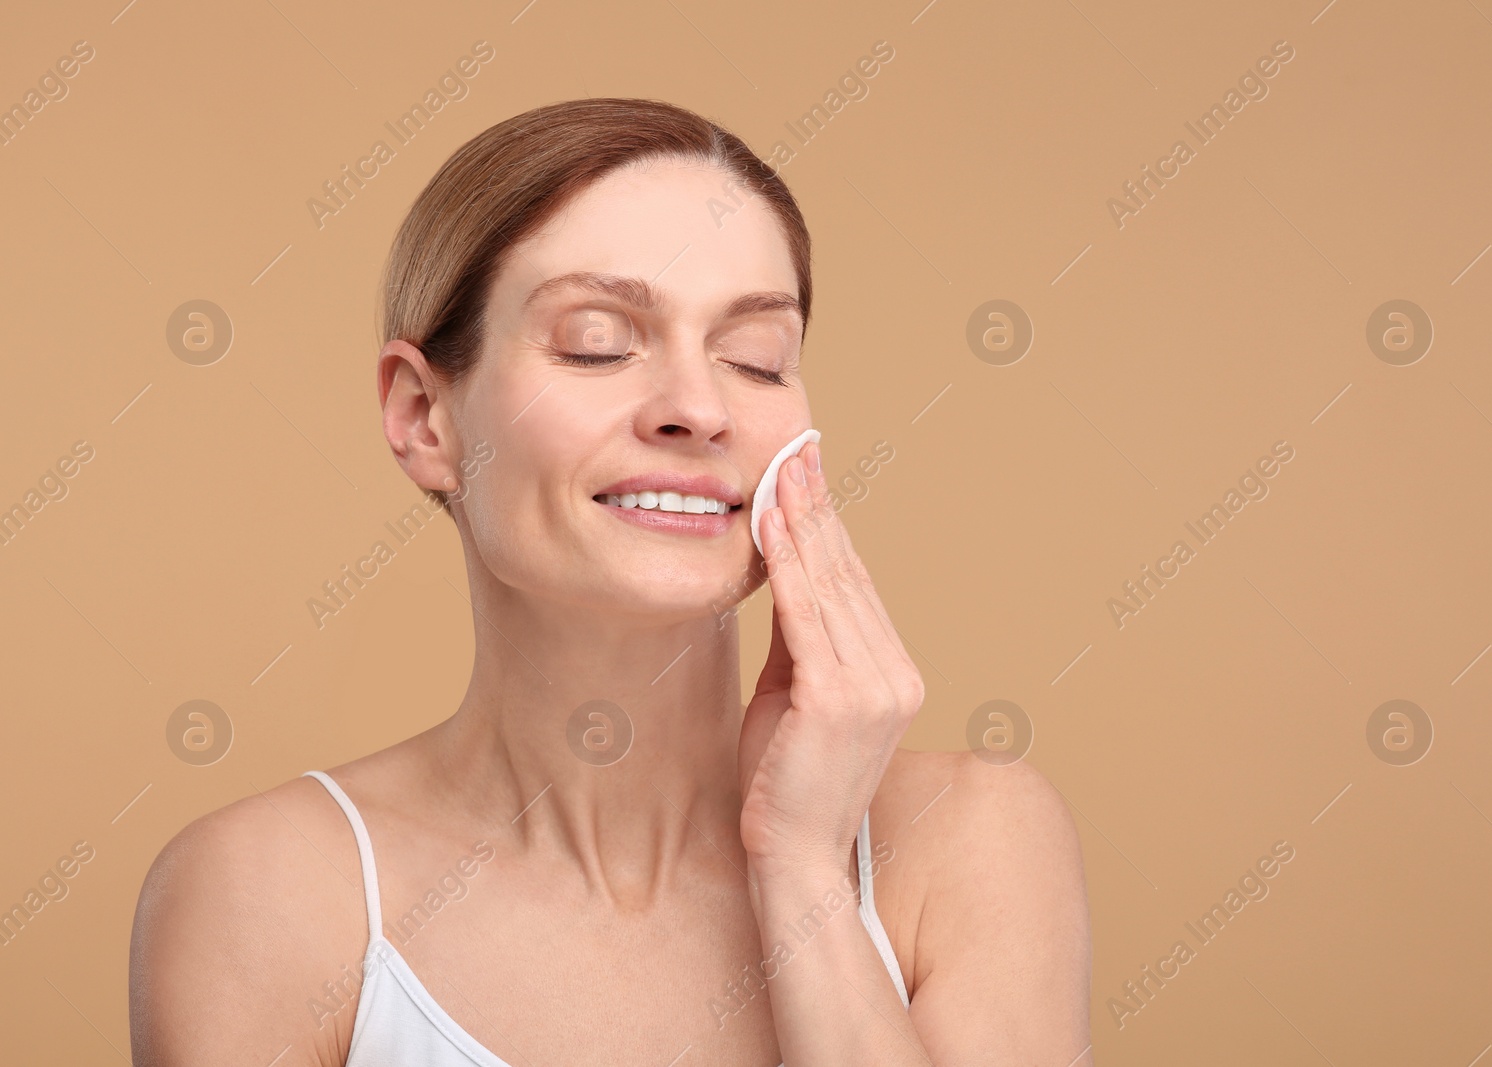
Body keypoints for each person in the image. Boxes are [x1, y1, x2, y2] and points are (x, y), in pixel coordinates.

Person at [129, 97, 1092, 1066]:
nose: (697, 406)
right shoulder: (268, 891)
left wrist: (801, 869)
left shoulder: (968, 840)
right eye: (598, 341)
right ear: (425, 416)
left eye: (757, 357)